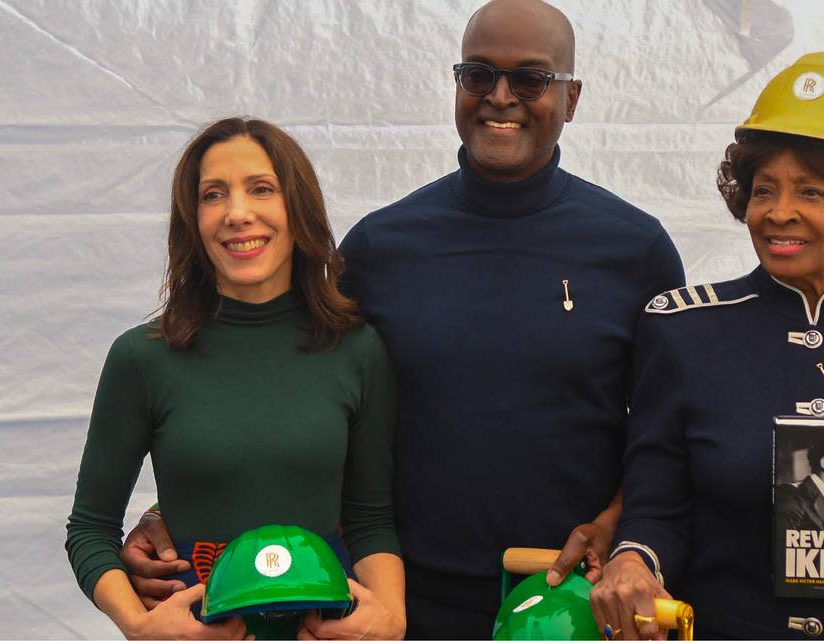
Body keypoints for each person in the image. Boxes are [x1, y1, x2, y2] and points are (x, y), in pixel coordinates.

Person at [118, 1, 685, 638]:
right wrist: (188, 505)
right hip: (400, 606)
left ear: (571, 98)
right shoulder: (380, 249)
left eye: (529, 79)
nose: (501, 97)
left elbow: (668, 436)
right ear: (457, 87)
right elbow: (297, 390)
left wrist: (619, 525)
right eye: (478, 76)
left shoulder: (636, 251)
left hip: (572, 606)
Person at [590, 52, 824, 640]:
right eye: (763, 189)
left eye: (811, 192)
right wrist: (633, 559)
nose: (778, 212)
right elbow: (656, 510)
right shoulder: (683, 331)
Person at [65, 117, 405, 640]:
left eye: (261, 189)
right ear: (192, 218)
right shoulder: (141, 358)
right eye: (213, 194)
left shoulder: (357, 350)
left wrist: (390, 618)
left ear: (298, 207)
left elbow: (370, 519)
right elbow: (89, 529)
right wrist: (141, 627)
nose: (237, 213)